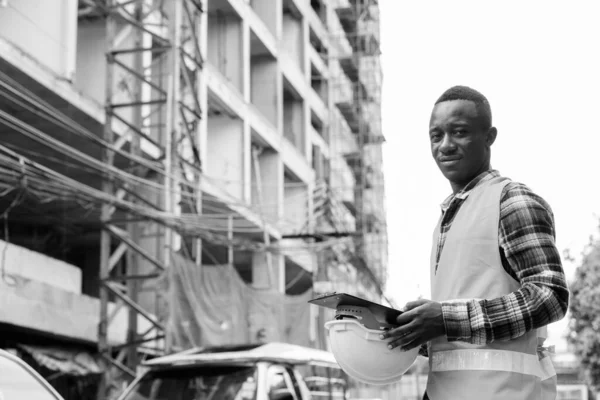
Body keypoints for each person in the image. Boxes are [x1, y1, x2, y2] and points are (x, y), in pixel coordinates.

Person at [380, 86, 569, 399]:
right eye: (436, 135)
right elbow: (461, 337)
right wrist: (414, 330)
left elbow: (549, 297)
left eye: (460, 132)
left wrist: (445, 319)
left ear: (489, 136)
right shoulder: (448, 215)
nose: (445, 145)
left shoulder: (512, 201)